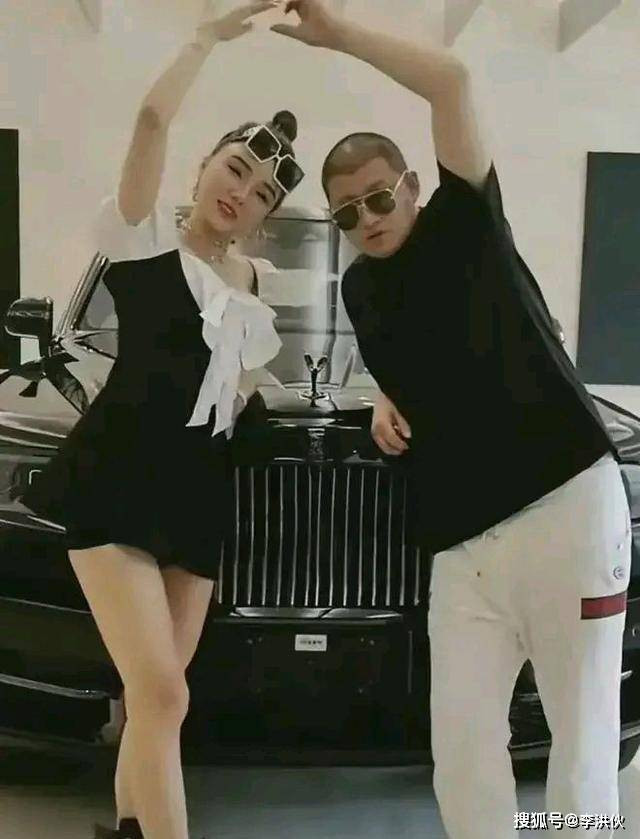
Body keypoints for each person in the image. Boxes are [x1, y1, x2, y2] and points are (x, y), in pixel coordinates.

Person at [272, 3, 631, 838]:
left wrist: (339, 35)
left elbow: (453, 80)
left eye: (376, 197)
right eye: (346, 214)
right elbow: (419, 360)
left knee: (582, 748)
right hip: (462, 546)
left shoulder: (464, 219)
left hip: (565, 506)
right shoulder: (358, 289)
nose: (366, 219)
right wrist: (387, 395)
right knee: (463, 754)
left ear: (410, 187)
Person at [22, 3, 304, 838]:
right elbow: (150, 117)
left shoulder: (252, 284)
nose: (239, 192)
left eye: (260, 192)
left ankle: (128, 826)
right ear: (204, 163)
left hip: (196, 501)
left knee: (156, 702)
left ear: (266, 215)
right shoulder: (142, 234)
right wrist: (205, 38)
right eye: (234, 169)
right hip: (116, 483)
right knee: (164, 691)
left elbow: (236, 386)